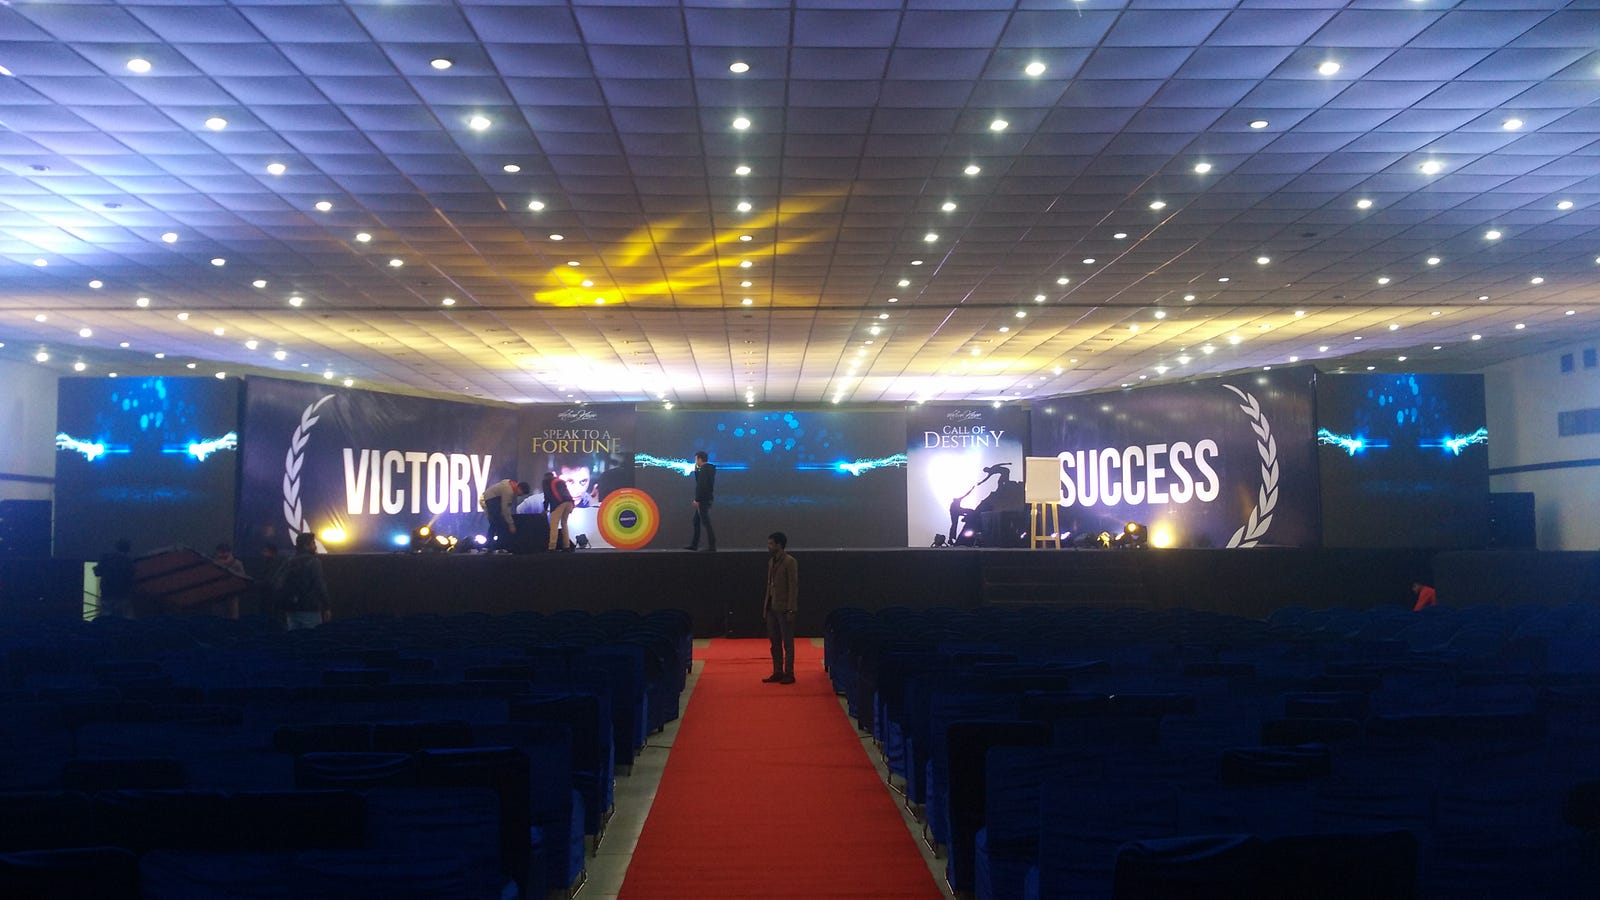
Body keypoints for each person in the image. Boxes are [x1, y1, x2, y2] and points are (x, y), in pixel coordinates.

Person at [762, 531, 799, 684]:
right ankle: (777, 671)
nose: (768, 546)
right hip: (771, 606)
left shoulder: (790, 561)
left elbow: (793, 587)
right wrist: (766, 606)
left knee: (787, 643)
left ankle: (789, 673)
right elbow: (769, 585)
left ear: (779, 545)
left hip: (784, 608)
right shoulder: (771, 562)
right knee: (774, 642)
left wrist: (791, 608)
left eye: (771, 543)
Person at [273, 532, 330, 630]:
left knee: (294, 637)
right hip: (309, 608)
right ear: (306, 546)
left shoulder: (289, 561)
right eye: (313, 543)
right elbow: (319, 585)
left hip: (290, 608)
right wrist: (326, 606)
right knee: (311, 637)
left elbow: (275, 581)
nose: (315, 546)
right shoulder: (314, 562)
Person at [480, 478, 530, 552]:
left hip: (490, 498)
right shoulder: (509, 491)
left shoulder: (510, 486)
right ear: (519, 488)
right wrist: (511, 524)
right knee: (496, 523)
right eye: (522, 493)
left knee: (496, 523)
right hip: (490, 499)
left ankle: (491, 546)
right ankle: (493, 546)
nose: (520, 495)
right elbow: (505, 509)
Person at [94, 538, 136, 618]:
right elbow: (132, 577)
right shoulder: (128, 562)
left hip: (107, 594)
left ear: (117, 547)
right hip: (123, 595)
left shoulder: (106, 558)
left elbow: (97, 572)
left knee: (106, 619)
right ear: (128, 549)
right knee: (126, 620)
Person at [684, 450, 717, 551]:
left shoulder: (704, 470)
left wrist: (697, 499)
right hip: (707, 498)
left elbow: (701, 485)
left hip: (703, 500)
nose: (695, 461)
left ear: (699, 459)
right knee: (696, 521)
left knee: (706, 522)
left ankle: (712, 546)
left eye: (696, 459)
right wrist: (696, 470)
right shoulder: (709, 469)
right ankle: (694, 545)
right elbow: (701, 482)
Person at [212, 542, 247, 619]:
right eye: (220, 552)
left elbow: (242, 578)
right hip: (220, 592)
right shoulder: (214, 563)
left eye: (223, 552)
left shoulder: (236, 563)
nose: (222, 554)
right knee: (221, 613)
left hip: (230, 592)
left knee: (230, 613)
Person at [543, 470, 575, 551]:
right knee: (564, 524)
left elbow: (547, 496)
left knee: (554, 525)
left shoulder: (546, 482)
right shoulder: (559, 481)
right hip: (569, 503)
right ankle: (566, 546)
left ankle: (552, 547)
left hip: (558, 504)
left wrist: (545, 509)